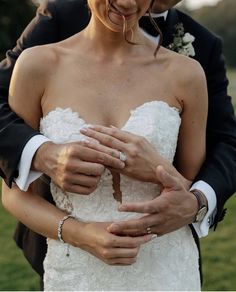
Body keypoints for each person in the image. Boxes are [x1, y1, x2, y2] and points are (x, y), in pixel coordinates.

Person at [0, 0, 235, 284]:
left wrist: (159, 171)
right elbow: (13, 194)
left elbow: (189, 184)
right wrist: (79, 233)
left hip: (166, 270)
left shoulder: (187, 74)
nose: (126, 2)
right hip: (75, 271)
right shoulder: (36, 64)